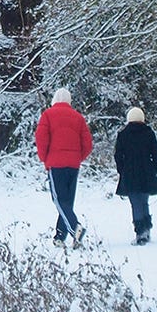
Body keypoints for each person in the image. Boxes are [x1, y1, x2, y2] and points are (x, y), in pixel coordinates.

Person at [35, 87, 93, 247]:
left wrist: (44, 158)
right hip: (73, 164)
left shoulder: (47, 115)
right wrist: (78, 157)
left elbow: (41, 138)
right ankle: (60, 236)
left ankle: (75, 228)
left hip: (55, 163)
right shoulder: (78, 117)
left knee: (59, 200)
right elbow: (87, 143)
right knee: (67, 200)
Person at [114, 105, 157, 245]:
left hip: (129, 174)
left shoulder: (123, 134)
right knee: (144, 201)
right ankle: (146, 228)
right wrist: (154, 169)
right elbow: (155, 153)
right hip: (146, 173)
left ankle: (140, 232)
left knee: (135, 203)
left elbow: (118, 155)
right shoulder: (149, 133)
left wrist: (121, 170)